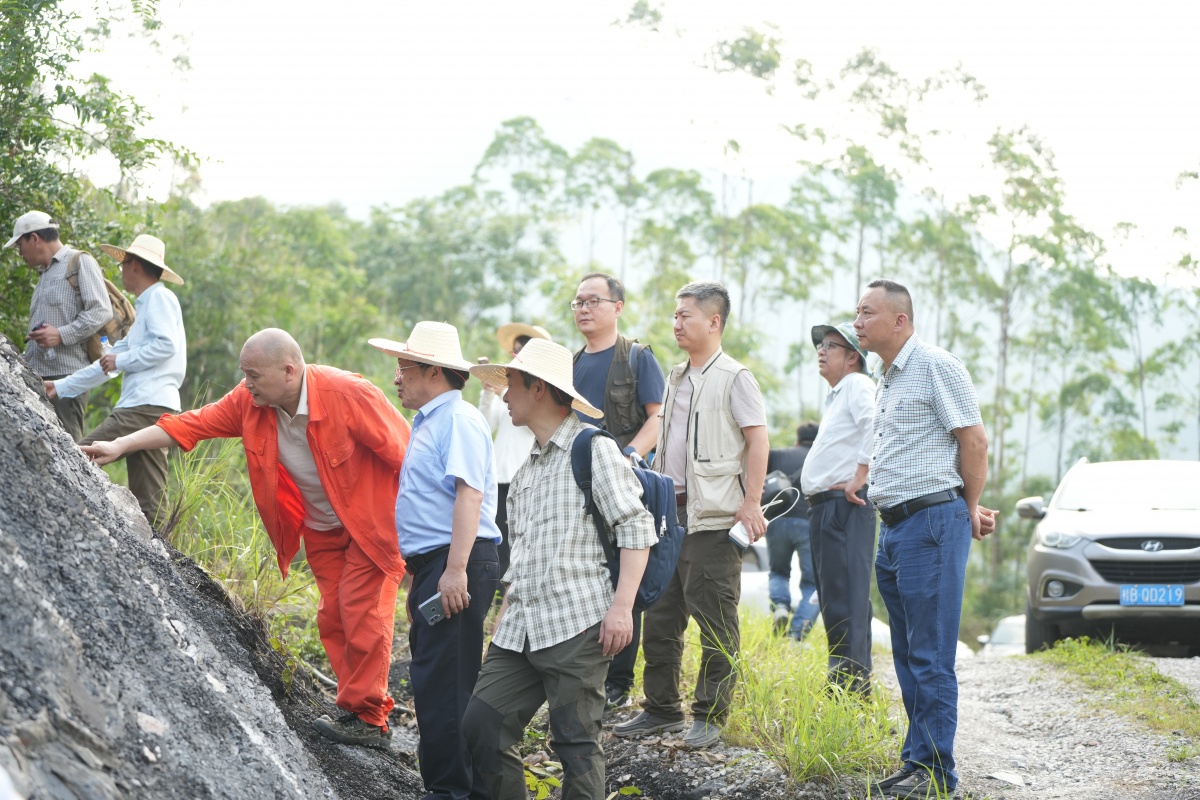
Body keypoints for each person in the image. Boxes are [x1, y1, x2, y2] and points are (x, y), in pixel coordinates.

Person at [82, 328, 410, 750]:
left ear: (289, 371)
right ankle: (355, 708)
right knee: (333, 616)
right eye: (244, 374)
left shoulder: (348, 394)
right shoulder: (250, 403)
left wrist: (430, 536)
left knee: (362, 611)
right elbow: (190, 424)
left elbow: (409, 455)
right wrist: (119, 445)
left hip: (375, 525)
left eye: (254, 374)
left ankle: (370, 719)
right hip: (323, 528)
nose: (246, 383)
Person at [462, 338, 656, 800]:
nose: (505, 395)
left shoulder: (593, 449)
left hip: (578, 625)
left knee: (576, 746)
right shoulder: (527, 468)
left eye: (512, 385)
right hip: (522, 628)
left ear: (539, 390)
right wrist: (504, 616)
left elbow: (636, 527)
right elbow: (523, 555)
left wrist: (622, 609)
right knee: (481, 724)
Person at [614, 281, 768, 750]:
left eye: (686, 315)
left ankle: (710, 715)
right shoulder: (677, 374)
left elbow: (757, 439)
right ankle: (660, 708)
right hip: (670, 514)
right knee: (661, 617)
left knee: (715, 621)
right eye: (675, 315)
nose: (677, 323)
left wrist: (751, 502)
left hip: (715, 519)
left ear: (714, 321)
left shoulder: (735, 377)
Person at [853, 280, 991, 799]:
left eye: (867, 312)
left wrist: (968, 507)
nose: (858, 321)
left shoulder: (935, 365)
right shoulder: (886, 377)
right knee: (910, 654)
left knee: (931, 656)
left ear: (899, 321)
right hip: (895, 529)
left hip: (932, 525)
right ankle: (916, 760)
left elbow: (973, 439)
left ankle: (937, 773)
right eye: (857, 312)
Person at [369, 321, 501, 800]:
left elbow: (469, 495)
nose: (398, 377)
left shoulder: (458, 420)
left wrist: (455, 569)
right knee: (436, 681)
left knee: (445, 686)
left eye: (405, 367)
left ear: (434, 371)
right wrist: (426, 572)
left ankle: (450, 791)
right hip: (438, 565)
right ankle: (454, 786)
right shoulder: (429, 421)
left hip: (458, 561)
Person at [570, 271, 667, 710]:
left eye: (594, 301)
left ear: (617, 307)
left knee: (622, 575)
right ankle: (581, 669)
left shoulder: (636, 357)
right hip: (576, 482)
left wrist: (627, 456)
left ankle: (618, 683)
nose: (585, 309)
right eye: (578, 303)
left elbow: (657, 419)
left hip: (623, 479)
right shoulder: (572, 364)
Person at [45, 235, 186, 529]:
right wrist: (59, 387)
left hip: (144, 405)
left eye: (123, 264)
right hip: (155, 406)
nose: (120, 270)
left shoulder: (159, 297)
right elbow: (106, 364)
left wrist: (120, 361)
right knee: (150, 497)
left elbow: (165, 346)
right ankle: (164, 563)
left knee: (79, 454)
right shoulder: (146, 306)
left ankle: (63, 523)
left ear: (134, 265)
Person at [801, 321, 877, 695]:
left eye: (830, 345)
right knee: (838, 597)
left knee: (845, 598)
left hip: (844, 507)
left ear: (852, 357)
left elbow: (876, 424)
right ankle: (849, 688)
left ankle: (848, 692)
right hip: (826, 508)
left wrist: (859, 475)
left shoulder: (859, 385)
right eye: (820, 345)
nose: (821, 350)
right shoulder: (839, 393)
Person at [7, 210, 113, 441]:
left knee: (68, 449)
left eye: (19, 245)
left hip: (67, 379)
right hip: (38, 376)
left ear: (34, 238)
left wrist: (61, 335)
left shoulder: (80, 261)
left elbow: (101, 310)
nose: (20, 252)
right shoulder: (45, 273)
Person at [478, 322, 551, 588]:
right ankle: (496, 595)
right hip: (497, 476)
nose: (517, 353)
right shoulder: (507, 389)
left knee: (518, 539)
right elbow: (487, 425)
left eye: (524, 349)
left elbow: (531, 428)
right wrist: (489, 394)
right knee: (495, 537)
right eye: (516, 349)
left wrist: (506, 393)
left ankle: (514, 591)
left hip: (524, 476)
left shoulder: (540, 389)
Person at [764, 422, 821, 641]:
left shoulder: (777, 454)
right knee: (811, 583)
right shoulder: (821, 457)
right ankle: (796, 635)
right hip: (809, 522)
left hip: (777, 521)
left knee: (778, 571)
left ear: (797, 440)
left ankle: (780, 605)